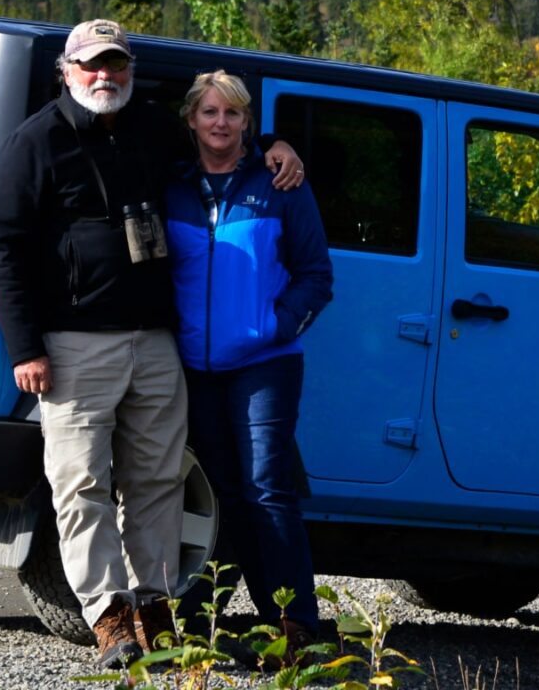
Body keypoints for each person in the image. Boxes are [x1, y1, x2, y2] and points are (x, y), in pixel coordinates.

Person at [0, 21, 302, 669]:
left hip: (157, 342)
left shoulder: (154, 128)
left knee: (157, 479)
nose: (106, 76)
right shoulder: (34, 142)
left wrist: (275, 144)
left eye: (117, 64)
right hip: (71, 345)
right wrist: (25, 349)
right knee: (80, 484)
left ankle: (156, 606)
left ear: (130, 69)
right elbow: (5, 249)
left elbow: (221, 136)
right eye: (93, 65)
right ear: (66, 70)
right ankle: (109, 617)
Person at [164, 69, 334, 652]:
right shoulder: (173, 185)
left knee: (268, 488)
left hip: (267, 363)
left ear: (247, 123)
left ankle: (298, 625)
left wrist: (274, 327)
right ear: (192, 119)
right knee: (222, 494)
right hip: (197, 367)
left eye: (232, 113)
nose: (221, 123)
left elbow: (317, 276)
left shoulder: (280, 183)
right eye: (210, 112)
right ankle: (238, 618)